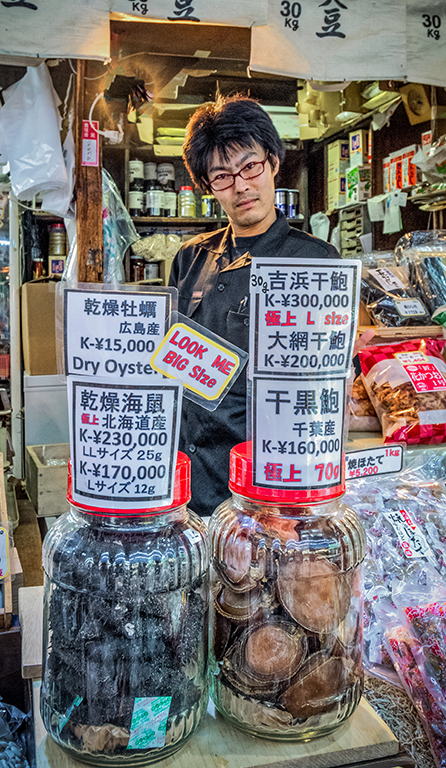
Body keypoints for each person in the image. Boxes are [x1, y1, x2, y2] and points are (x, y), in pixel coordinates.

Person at [169, 94, 341, 517]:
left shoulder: (314, 260)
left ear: (273, 162)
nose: (242, 185)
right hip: (186, 487)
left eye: (250, 166)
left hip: (263, 495)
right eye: (222, 176)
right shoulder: (191, 258)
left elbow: (324, 384)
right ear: (209, 188)